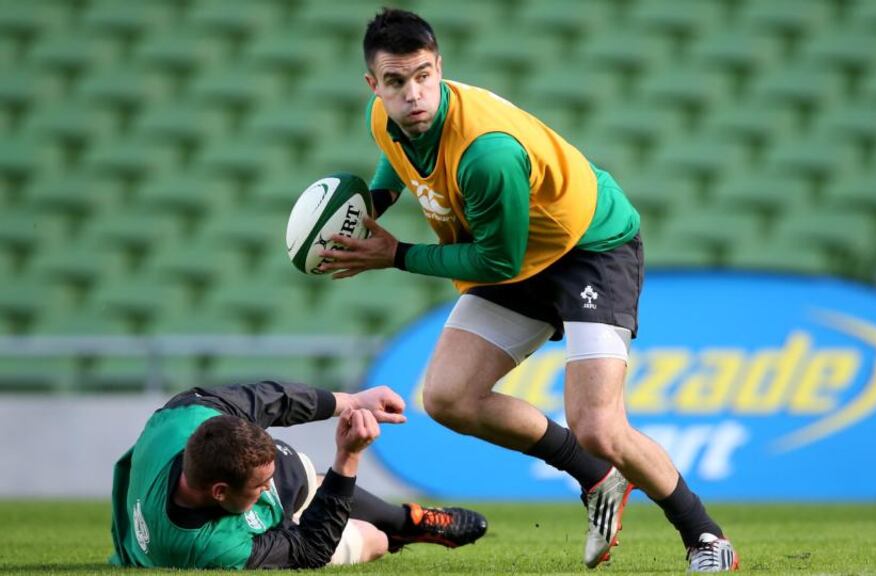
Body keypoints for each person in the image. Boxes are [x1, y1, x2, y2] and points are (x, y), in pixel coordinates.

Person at [317, 7, 739, 573]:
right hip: (520, 258)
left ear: (439, 67)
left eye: (423, 76)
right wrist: (378, 201)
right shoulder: (384, 118)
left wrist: (394, 254)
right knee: (447, 397)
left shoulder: (486, 152)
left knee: (599, 425)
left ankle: (706, 537)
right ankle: (595, 478)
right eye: (396, 82)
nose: (413, 93)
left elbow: (497, 259)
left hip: (589, 250)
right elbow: (395, 158)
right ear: (374, 85)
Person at [109, 381, 488, 569]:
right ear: (220, 492)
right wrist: (348, 456)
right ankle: (394, 535)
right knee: (370, 539)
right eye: (260, 486)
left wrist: (350, 402)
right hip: (257, 535)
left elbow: (271, 398)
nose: (266, 488)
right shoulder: (207, 547)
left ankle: (410, 521)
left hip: (251, 494)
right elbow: (310, 549)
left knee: (309, 479)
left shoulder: (189, 416)